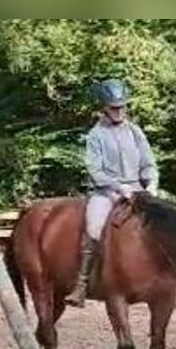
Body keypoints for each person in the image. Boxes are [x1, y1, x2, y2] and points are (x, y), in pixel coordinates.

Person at [64, 78, 159, 308]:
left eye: (123, 106)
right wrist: (118, 187)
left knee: (166, 223)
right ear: (104, 108)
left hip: (139, 189)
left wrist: (152, 183)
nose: (120, 111)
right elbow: (94, 169)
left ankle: (163, 278)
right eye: (115, 108)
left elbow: (148, 161)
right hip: (106, 193)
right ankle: (82, 283)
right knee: (94, 228)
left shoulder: (135, 131)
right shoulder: (96, 135)